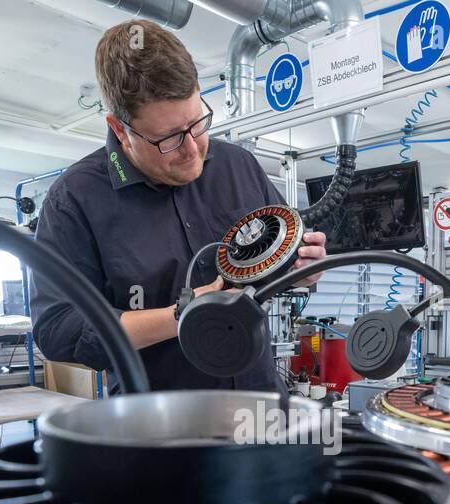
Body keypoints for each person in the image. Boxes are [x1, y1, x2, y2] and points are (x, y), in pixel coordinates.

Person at [31, 18, 328, 394]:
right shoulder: (74, 201)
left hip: (260, 408)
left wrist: (303, 271)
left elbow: (274, 265)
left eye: (196, 124)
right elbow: (59, 330)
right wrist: (182, 316)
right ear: (120, 129)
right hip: (160, 430)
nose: (192, 151)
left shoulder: (239, 166)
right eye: (168, 139)